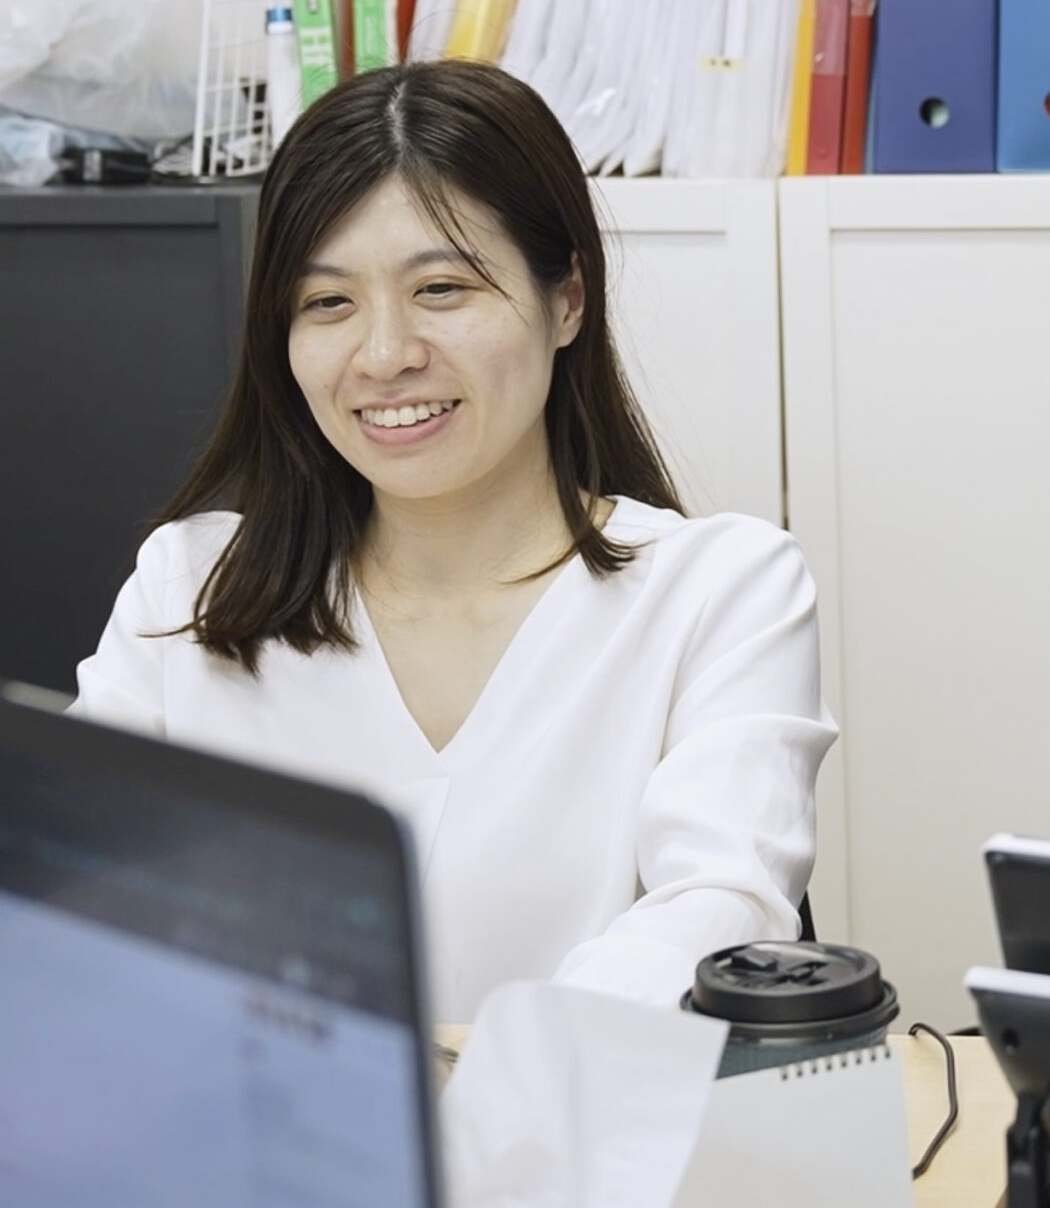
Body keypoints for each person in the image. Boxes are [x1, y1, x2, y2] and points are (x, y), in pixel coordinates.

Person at [73, 61, 836, 1025]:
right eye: (328, 302)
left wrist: (454, 1091)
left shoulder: (722, 592)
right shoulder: (188, 591)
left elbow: (717, 913)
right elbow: (67, 902)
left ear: (567, 300)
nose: (385, 354)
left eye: (441, 288)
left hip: (571, 1120)